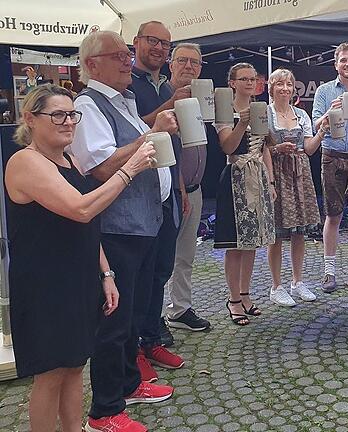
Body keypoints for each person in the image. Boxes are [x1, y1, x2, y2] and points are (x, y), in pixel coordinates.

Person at [6, 85, 156, 432]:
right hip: (45, 284)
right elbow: (82, 209)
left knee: (74, 366)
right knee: (50, 374)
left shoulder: (68, 159)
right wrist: (129, 169)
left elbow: (88, 228)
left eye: (72, 114)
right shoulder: (25, 162)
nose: (68, 122)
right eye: (58, 114)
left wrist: (105, 274)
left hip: (79, 277)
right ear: (30, 118)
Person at [70, 30, 178, 432]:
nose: (127, 61)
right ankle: (104, 411)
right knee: (113, 321)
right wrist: (152, 136)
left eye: (127, 54)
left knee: (129, 316)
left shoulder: (122, 100)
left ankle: (129, 385)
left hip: (142, 223)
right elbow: (99, 167)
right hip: (118, 228)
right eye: (117, 55)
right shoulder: (88, 103)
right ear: (92, 64)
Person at [127, 20, 185, 382]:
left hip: (167, 190)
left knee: (160, 271)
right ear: (135, 44)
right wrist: (169, 103)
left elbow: (171, 143)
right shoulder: (127, 85)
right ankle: (131, 350)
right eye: (153, 41)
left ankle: (151, 337)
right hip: (138, 196)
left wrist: (179, 185)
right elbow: (137, 132)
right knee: (138, 277)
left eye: (165, 44)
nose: (160, 49)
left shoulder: (161, 83)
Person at [214, 63, 277, 325]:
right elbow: (227, 147)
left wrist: (271, 182)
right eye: (245, 79)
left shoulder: (261, 108)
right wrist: (243, 122)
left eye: (253, 79)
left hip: (258, 176)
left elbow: (265, 148)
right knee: (235, 244)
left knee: (252, 242)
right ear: (233, 82)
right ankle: (233, 299)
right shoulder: (225, 109)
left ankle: (245, 293)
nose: (250, 83)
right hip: (235, 175)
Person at [311, 43, 348, 293]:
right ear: (336, 64)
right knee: (333, 215)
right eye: (343, 60)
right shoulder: (325, 91)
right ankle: (329, 271)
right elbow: (315, 124)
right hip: (332, 156)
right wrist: (329, 112)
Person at [266, 68, 325, 306]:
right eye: (279, 84)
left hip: (300, 173)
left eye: (289, 84)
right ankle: (276, 286)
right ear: (271, 88)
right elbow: (259, 148)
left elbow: (309, 149)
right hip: (277, 172)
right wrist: (276, 150)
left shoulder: (301, 114)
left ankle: (297, 281)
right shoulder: (266, 114)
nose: (285, 88)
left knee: (299, 231)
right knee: (277, 233)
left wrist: (322, 131)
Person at [165, 43, 211, 332]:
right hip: (173, 191)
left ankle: (180, 309)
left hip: (195, 188)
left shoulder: (201, 98)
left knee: (185, 255)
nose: (189, 66)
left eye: (195, 62)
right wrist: (181, 187)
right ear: (171, 64)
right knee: (161, 259)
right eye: (182, 60)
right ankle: (153, 317)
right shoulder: (162, 97)